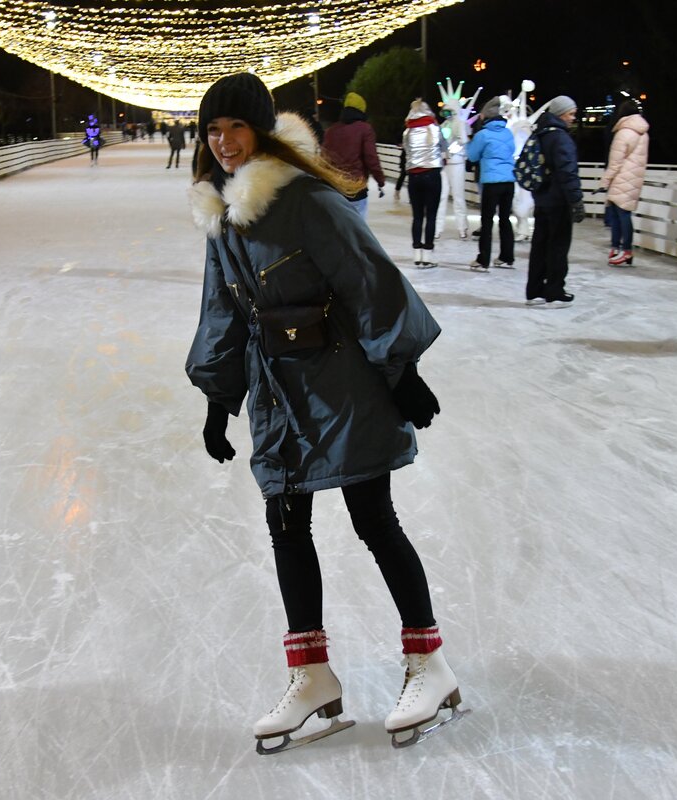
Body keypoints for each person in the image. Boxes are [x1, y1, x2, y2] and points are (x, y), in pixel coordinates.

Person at [184, 72, 464, 753]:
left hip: (345, 389)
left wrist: (403, 371)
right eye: (212, 131)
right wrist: (221, 401)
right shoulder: (223, 217)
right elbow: (223, 314)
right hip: (277, 397)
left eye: (235, 128)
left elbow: (371, 280)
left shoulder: (308, 201)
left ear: (261, 130)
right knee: (286, 524)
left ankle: (430, 666)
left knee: (374, 520)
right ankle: (311, 676)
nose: (223, 143)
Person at [525, 95, 584, 307]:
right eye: (570, 114)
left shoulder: (540, 133)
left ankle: (535, 290)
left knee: (540, 245)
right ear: (560, 114)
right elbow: (567, 172)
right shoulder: (561, 138)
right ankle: (555, 290)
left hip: (541, 199)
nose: (572, 118)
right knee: (558, 246)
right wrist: (576, 201)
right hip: (558, 201)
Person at [465, 96, 517, 271]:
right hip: (509, 181)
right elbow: (512, 151)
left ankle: (483, 260)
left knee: (487, 221)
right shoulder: (508, 133)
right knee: (505, 219)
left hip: (491, 182)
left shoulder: (482, 135)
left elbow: (472, 156)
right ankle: (507, 257)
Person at [598, 100, 650, 266]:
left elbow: (615, 162)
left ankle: (624, 249)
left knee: (619, 215)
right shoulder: (643, 132)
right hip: (633, 178)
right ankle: (620, 249)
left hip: (621, 177)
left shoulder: (624, 133)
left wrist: (605, 182)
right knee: (622, 213)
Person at [321, 91, 385, 220]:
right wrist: (380, 179)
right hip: (356, 188)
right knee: (358, 229)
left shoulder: (331, 131)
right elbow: (371, 157)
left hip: (335, 188)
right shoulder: (365, 129)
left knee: (339, 228)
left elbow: (324, 160)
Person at [401, 99, 445, 268]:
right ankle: (428, 254)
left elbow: (406, 151)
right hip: (432, 174)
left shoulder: (408, 132)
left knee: (417, 216)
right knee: (431, 215)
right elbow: (443, 148)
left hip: (414, 176)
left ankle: (416, 253)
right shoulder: (434, 129)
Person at [435, 107, 470, 240]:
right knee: (442, 196)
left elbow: (463, 140)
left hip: (457, 162)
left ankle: (462, 227)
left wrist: (451, 150)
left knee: (458, 196)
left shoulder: (460, 124)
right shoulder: (443, 125)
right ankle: (438, 228)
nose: (446, 114)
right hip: (445, 163)